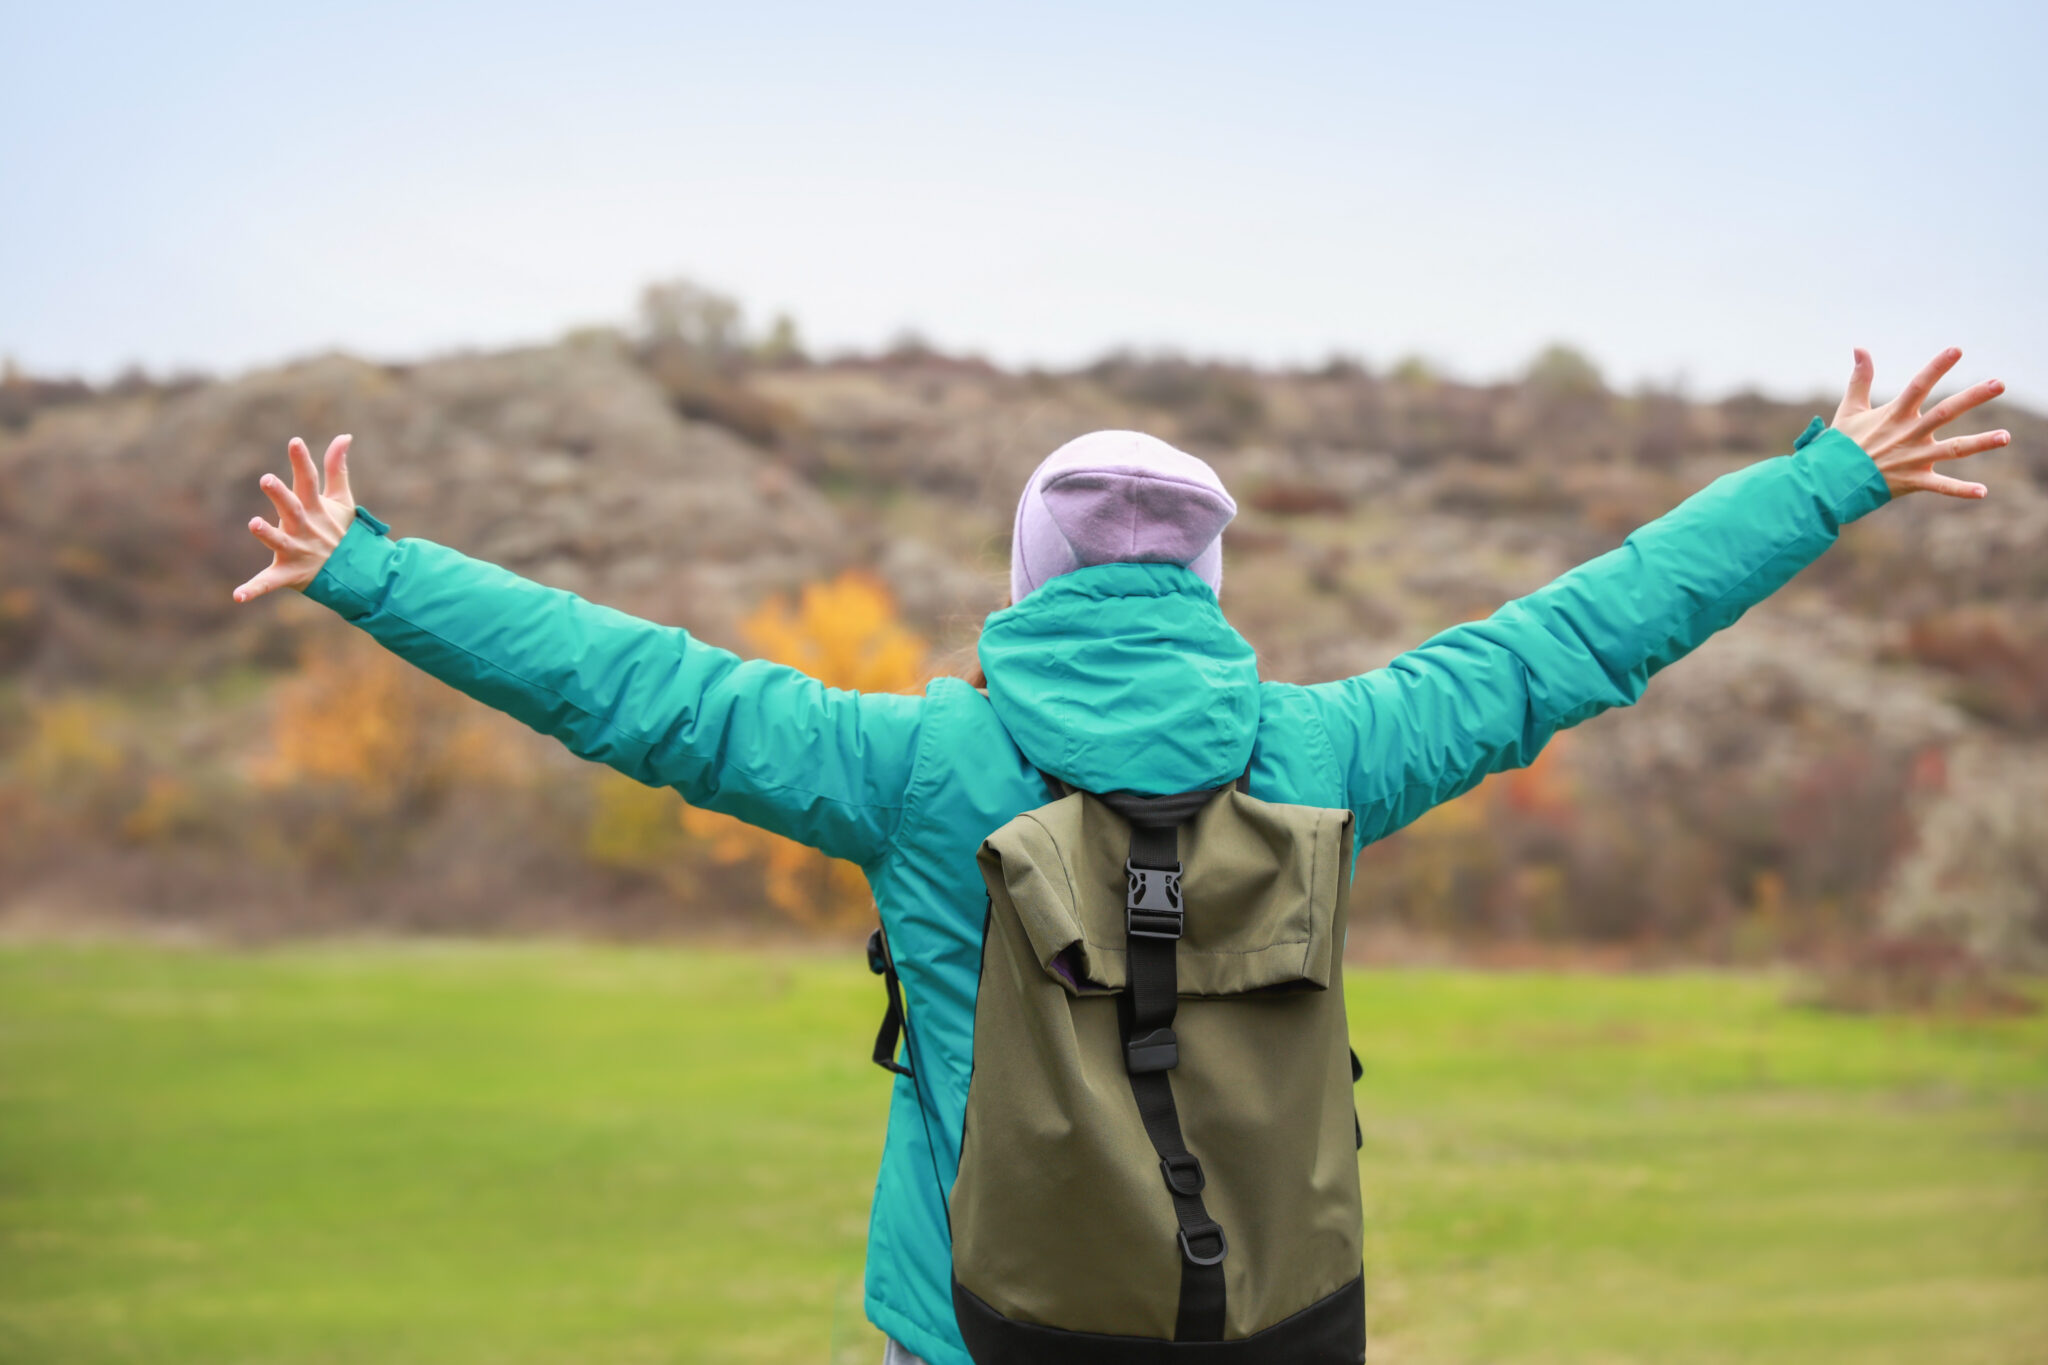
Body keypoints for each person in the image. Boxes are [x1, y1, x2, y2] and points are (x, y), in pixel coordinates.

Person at [234, 347, 2008, 1365]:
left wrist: (370, 566)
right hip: (1278, 1317)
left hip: (980, 1322)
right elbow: (1575, 639)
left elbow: (641, 691)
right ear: (1208, 590)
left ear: (1029, 579)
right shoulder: (1327, 750)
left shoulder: (922, 764)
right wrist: (1823, 478)